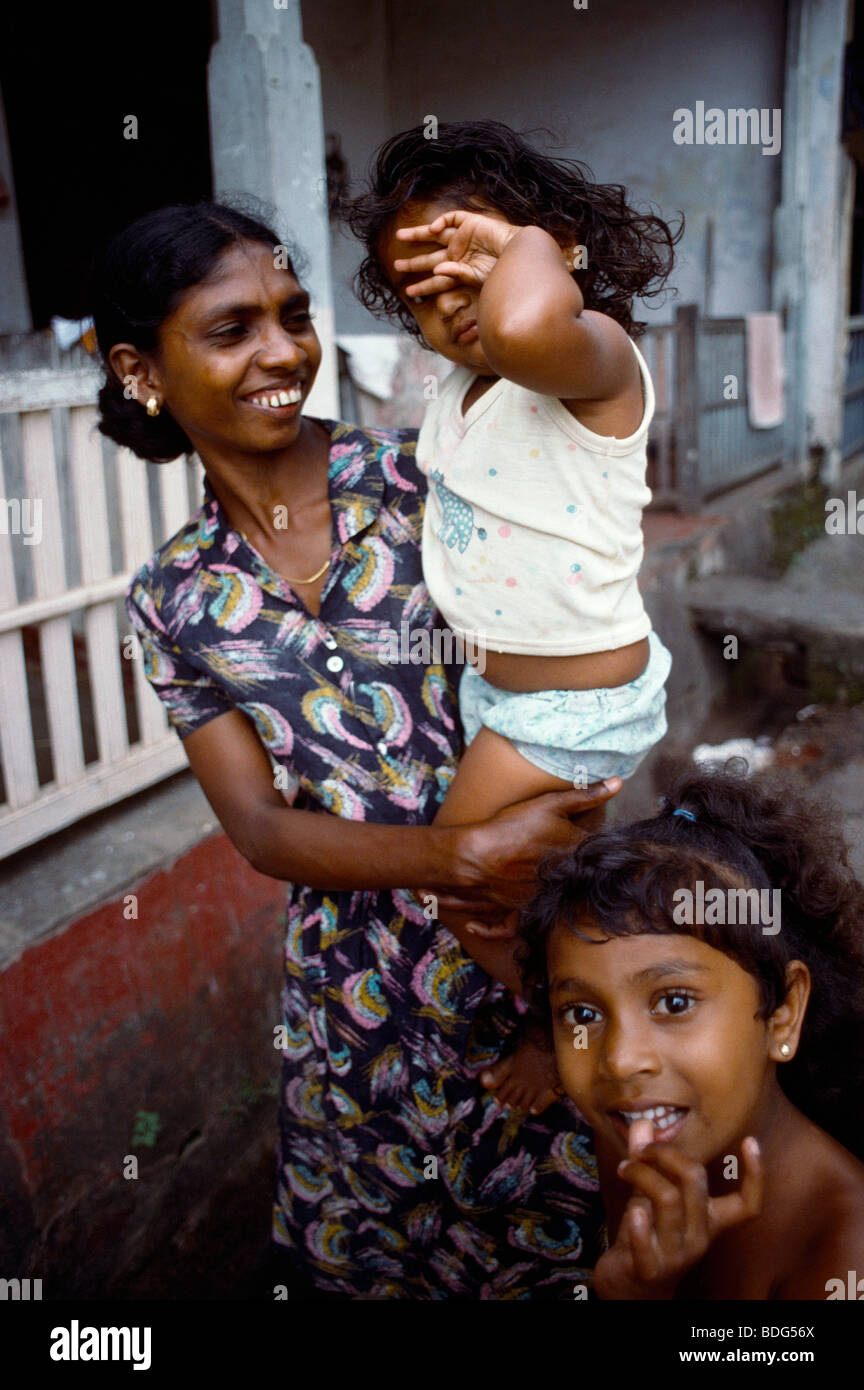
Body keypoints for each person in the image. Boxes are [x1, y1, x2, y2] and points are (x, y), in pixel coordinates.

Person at [92, 200, 620, 1299]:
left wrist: (526, 887)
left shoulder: (431, 481)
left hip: (527, 950)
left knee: (556, 1246)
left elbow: (571, 669)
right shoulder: (173, 596)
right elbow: (260, 827)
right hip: (351, 999)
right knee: (372, 1255)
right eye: (231, 329)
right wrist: (450, 859)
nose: (284, 351)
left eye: (293, 315)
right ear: (140, 368)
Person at [347, 119, 683, 1111]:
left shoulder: (592, 360)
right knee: (549, 888)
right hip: (502, 692)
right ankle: (615, 1014)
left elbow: (533, 321)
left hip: (568, 708)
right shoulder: (461, 389)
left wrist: (528, 254)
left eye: (474, 264)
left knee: (466, 893)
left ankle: (562, 1028)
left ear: (552, 249)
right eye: (427, 288)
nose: (457, 304)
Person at [518, 766, 864, 1299]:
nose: (622, 1059)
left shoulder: (844, 1265)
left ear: (783, 1012)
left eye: (674, 1002)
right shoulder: (641, 1127)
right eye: (583, 1013)